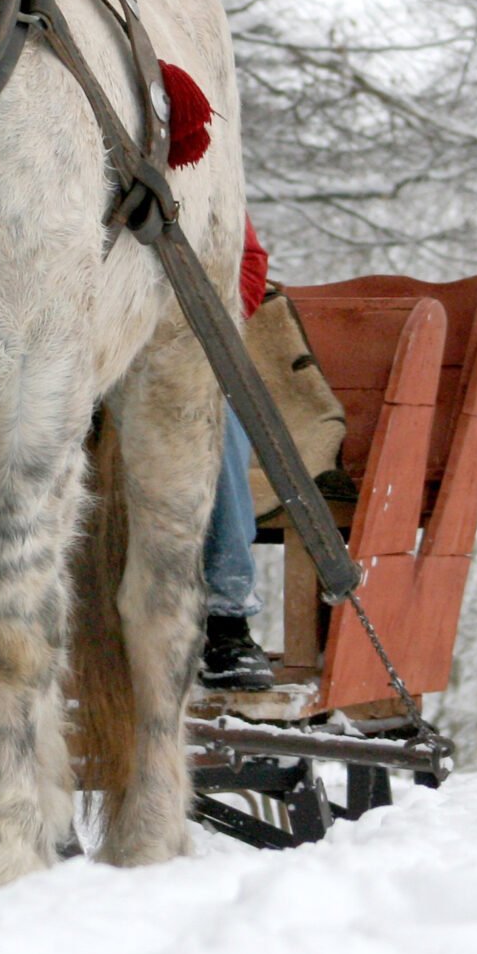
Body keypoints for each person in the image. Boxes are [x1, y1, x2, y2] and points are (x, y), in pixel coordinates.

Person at [199, 220, 275, 691]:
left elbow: (248, 262)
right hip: (70, 345)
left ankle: (226, 618)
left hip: (175, 340)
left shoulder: (201, 162)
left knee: (215, 418)